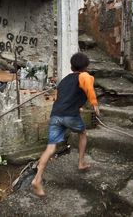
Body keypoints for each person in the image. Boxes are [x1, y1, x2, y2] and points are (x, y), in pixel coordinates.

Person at [31, 52, 99, 197]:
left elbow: (59, 97)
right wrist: (94, 104)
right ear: (86, 66)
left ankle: (37, 179)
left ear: (71, 66)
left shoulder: (64, 80)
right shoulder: (85, 76)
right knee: (82, 133)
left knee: (50, 148)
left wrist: (77, 105)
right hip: (70, 116)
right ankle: (81, 162)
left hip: (55, 115)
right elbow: (89, 88)